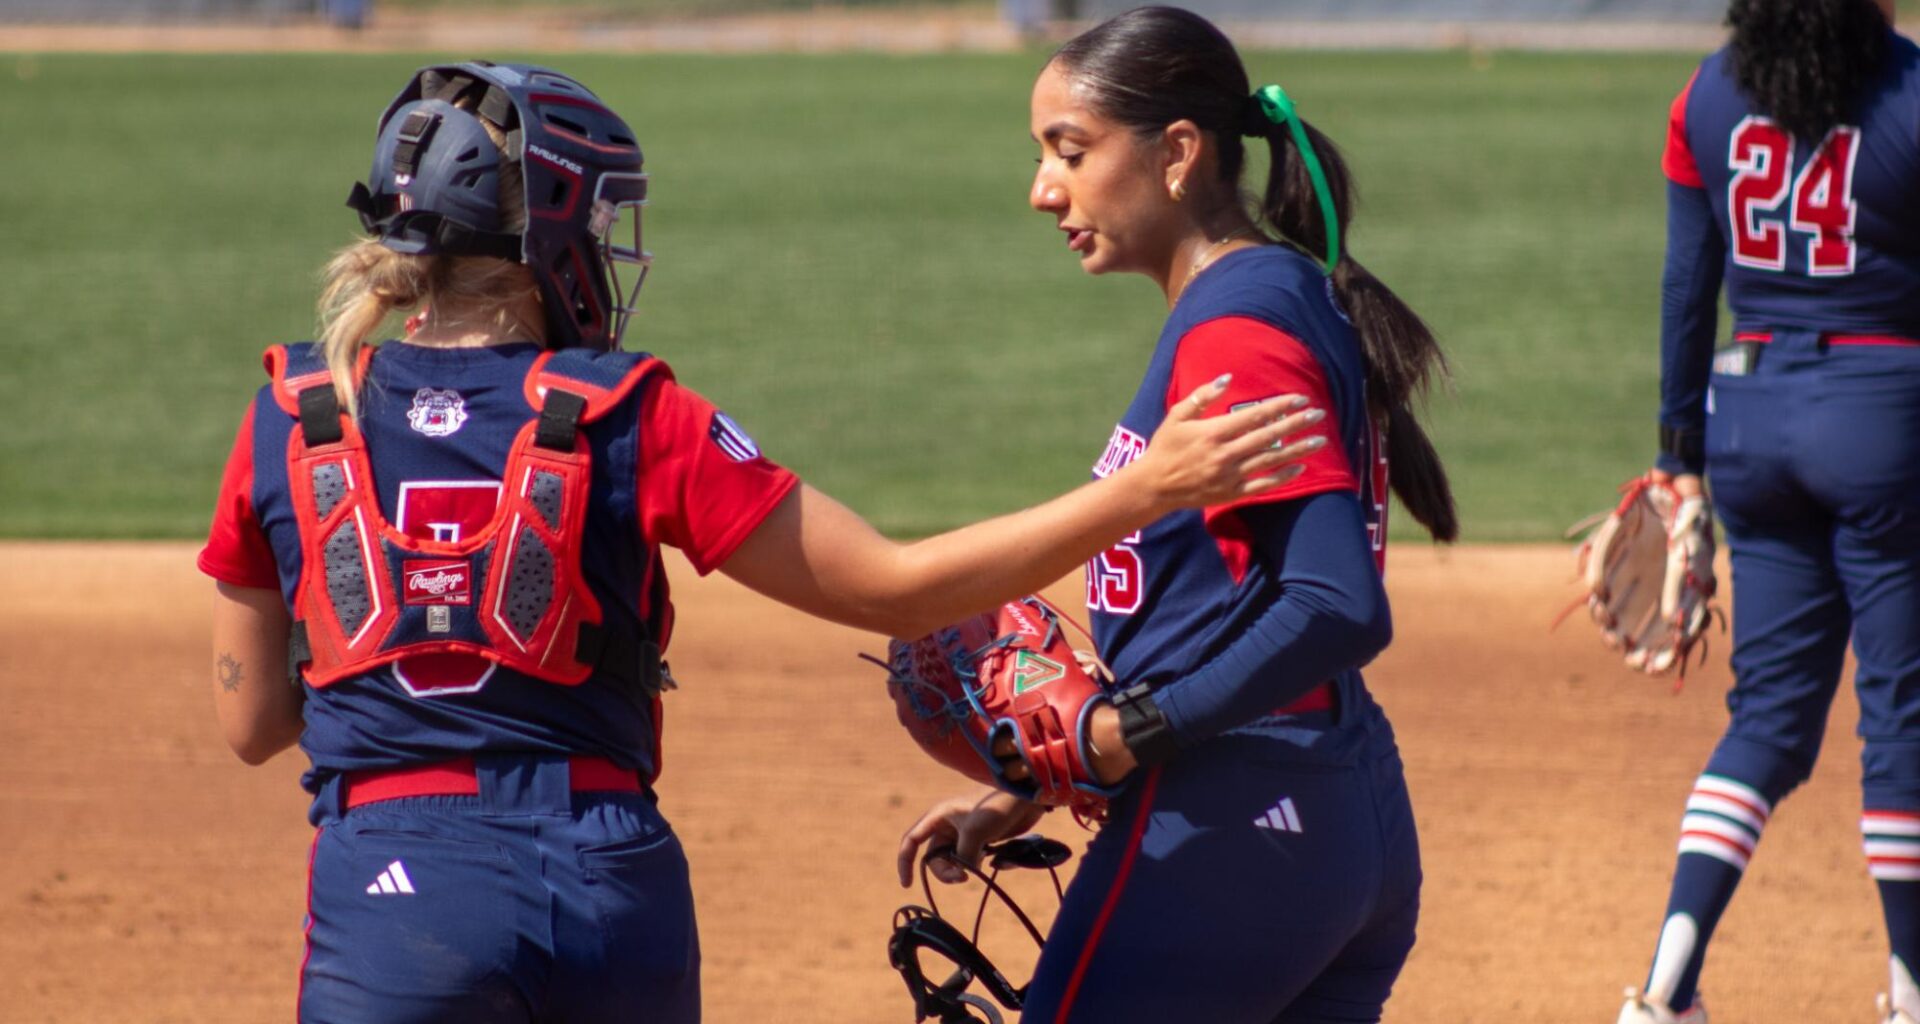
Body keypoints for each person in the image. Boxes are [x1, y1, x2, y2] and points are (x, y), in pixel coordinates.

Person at [197, 61, 1324, 1024]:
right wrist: (1145, 490)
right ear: (549, 228)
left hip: (393, 896)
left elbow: (252, 726)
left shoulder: (288, 419)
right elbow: (895, 588)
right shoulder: (628, 412)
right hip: (602, 883)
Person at [895, 8, 1458, 1022]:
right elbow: (1225, 604)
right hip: (1322, 803)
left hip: (1236, 820)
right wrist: (1027, 792)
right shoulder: (1267, 296)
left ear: (1179, 154)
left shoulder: (1238, 326)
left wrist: (1128, 734)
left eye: (1071, 151)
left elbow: (1337, 604)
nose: (1043, 190)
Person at [1615, 1, 1920, 1022]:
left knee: (1769, 724)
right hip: (1884, 422)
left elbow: (1686, 286)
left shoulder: (1705, 94)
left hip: (1747, 420)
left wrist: (1678, 460)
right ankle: (1912, 990)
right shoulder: (1911, 91)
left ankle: (1665, 991)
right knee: (1902, 719)